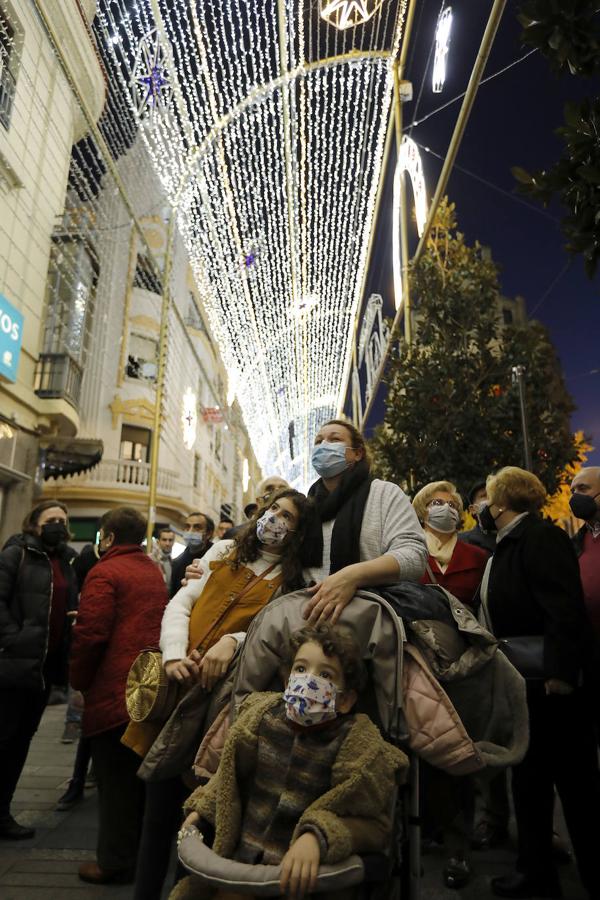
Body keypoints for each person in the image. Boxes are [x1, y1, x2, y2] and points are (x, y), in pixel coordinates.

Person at [132, 489, 315, 900]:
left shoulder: (295, 581)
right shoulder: (225, 550)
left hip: (221, 708)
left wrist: (233, 640)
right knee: (156, 812)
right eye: (273, 510)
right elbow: (181, 604)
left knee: (199, 815)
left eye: (287, 516)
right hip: (176, 688)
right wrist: (173, 654)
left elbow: (279, 637)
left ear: (299, 533)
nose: (275, 519)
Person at [171, 623, 408, 900]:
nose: (308, 681)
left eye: (325, 674)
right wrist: (201, 813)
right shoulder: (261, 720)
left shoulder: (356, 746)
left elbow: (373, 826)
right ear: (286, 683)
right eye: (300, 669)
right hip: (241, 867)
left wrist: (318, 836)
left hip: (305, 881)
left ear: (345, 700)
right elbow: (228, 782)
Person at [478, 467, 600, 900]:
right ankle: (535, 871)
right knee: (528, 781)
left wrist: (562, 674)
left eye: (488, 500)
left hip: (552, 685)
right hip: (526, 683)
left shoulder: (539, 538)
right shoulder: (509, 544)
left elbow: (563, 608)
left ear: (503, 502)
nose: (483, 508)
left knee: (576, 784)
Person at [70, 507, 168, 885]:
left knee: (113, 785)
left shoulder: (105, 572)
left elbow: (91, 634)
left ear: (107, 538)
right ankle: (137, 858)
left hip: (113, 689)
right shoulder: (151, 570)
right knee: (137, 781)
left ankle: (113, 862)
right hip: (146, 688)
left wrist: (79, 679)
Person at [0, 501, 78, 840]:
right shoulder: (17, 554)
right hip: (13, 662)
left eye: (62, 520)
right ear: (34, 523)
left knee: (20, 741)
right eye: (51, 520)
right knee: (3, 739)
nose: (57, 525)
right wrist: (14, 638)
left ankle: (2, 812)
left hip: (44, 668)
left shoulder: (65, 560)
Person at [301, 419, 427, 626]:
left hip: (375, 620)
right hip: (310, 622)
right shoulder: (306, 508)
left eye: (335, 439)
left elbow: (414, 556)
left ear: (357, 453)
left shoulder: (384, 493)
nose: (324, 445)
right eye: (318, 441)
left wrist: (353, 576)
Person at [412, 480, 488, 607]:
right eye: (438, 503)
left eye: (452, 505)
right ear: (422, 511)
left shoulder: (477, 556)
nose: (447, 507)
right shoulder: (410, 551)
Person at [170, 512, 214, 598]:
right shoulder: (177, 562)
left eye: (197, 528)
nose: (190, 531)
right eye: (187, 527)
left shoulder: (216, 557)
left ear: (208, 534)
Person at [458, 481, 497, 554]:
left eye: (493, 494)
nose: (490, 498)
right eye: (484, 495)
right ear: (472, 509)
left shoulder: (517, 535)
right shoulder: (462, 542)